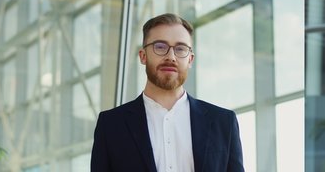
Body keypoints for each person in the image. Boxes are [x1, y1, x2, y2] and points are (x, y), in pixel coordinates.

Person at [91, 13, 244, 172]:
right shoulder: (110, 125)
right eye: (160, 47)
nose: (171, 57)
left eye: (180, 49)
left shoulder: (223, 122)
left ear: (190, 59)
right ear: (143, 56)